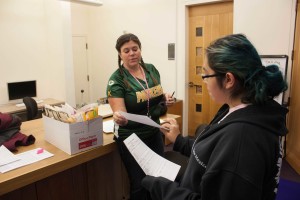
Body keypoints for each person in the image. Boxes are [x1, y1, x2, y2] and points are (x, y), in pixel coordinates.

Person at [141, 33, 289, 200]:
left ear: (228, 79)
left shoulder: (242, 139)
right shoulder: (239, 109)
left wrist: (163, 188)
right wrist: (179, 140)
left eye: (206, 75)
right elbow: (212, 153)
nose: (204, 81)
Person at [106, 33, 175, 200]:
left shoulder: (151, 70)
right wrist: (119, 117)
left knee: (159, 177)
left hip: (153, 131)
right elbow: (120, 112)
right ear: (120, 54)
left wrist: (165, 99)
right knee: (140, 183)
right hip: (131, 138)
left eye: (135, 49)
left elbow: (156, 97)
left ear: (140, 50)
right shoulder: (116, 80)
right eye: (126, 50)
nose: (132, 53)